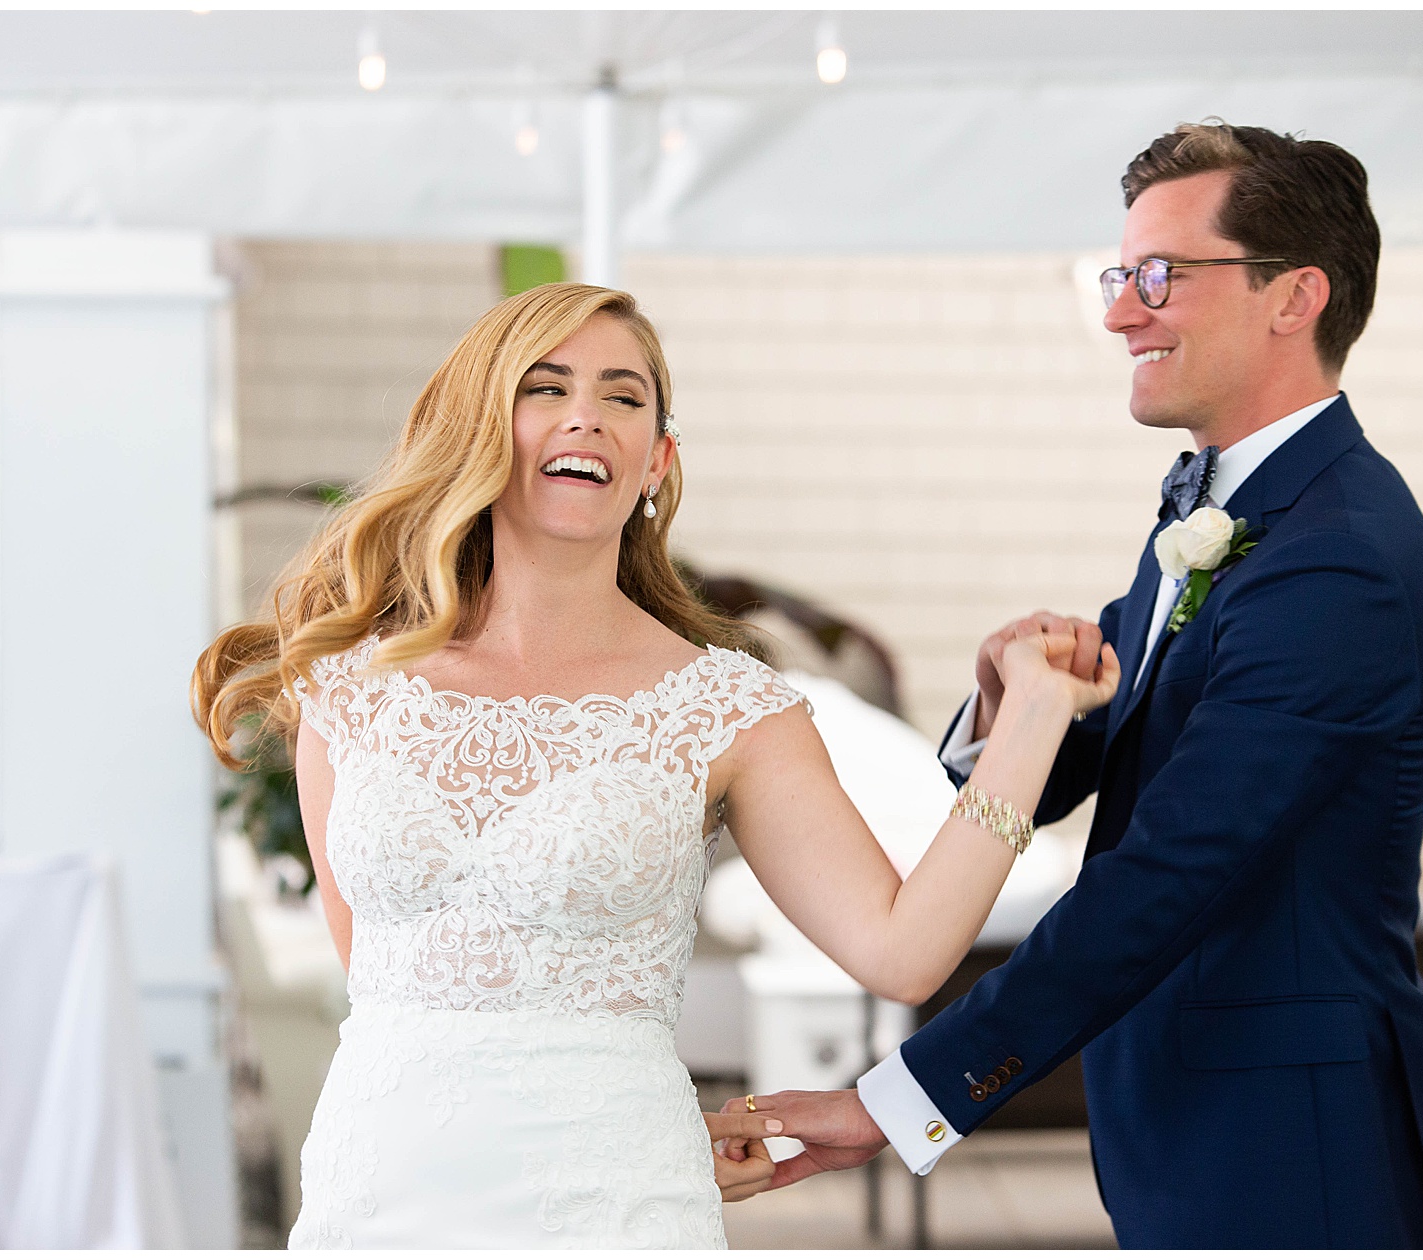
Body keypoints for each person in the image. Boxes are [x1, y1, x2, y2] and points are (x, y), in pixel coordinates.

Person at [191, 282, 1119, 1247]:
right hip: (373, 1198)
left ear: (656, 464)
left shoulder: (730, 709)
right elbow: (380, 973)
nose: (587, 414)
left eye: (624, 396)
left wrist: (1031, 727)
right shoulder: (350, 691)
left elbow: (905, 949)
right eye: (546, 387)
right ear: (480, 428)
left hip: (616, 1197)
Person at [721, 123, 1423, 1249]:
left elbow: (1168, 873)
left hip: (1295, 1148)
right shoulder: (1211, 506)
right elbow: (1110, 748)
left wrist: (899, 1099)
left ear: (1292, 296)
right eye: (1119, 276)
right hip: (1188, 1122)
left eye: (1157, 275)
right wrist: (1004, 705)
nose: (1122, 310)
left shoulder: (1342, 559)